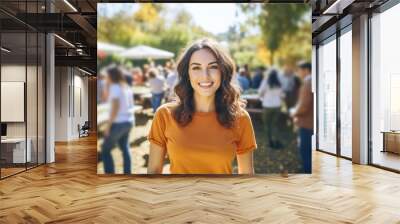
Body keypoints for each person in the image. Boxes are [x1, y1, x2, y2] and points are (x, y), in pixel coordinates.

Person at [147, 38, 257, 174]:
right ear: (187, 73)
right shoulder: (164, 115)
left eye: (213, 67)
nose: (205, 76)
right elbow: (153, 172)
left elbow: (246, 177)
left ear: (223, 71)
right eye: (196, 67)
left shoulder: (240, 118)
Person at [101, 66, 135, 174]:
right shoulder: (125, 87)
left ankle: (109, 173)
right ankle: (127, 172)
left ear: (111, 76)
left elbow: (115, 107)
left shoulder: (115, 87)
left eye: (107, 75)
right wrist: (106, 86)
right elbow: (105, 98)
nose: (106, 77)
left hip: (119, 123)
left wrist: (108, 126)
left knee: (105, 149)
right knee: (124, 147)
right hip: (129, 121)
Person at [290, 61, 313, 174]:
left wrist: (294, 113)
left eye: (299, 70)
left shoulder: (308, 83)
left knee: (306, 153)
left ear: (306, 70)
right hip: (311, 123)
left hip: (307, 124)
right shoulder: (314, 81)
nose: (298, 73)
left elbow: (303, 107)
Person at [258, 69, 285, 149]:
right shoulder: (279, 83)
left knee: (267, 124)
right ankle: (275, 140)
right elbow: (282, 95)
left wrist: (262, 97)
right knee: (274, 124)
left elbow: (260, 92)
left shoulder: (265, 82)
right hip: (277, 106)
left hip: (267, 105)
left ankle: (269, 141)